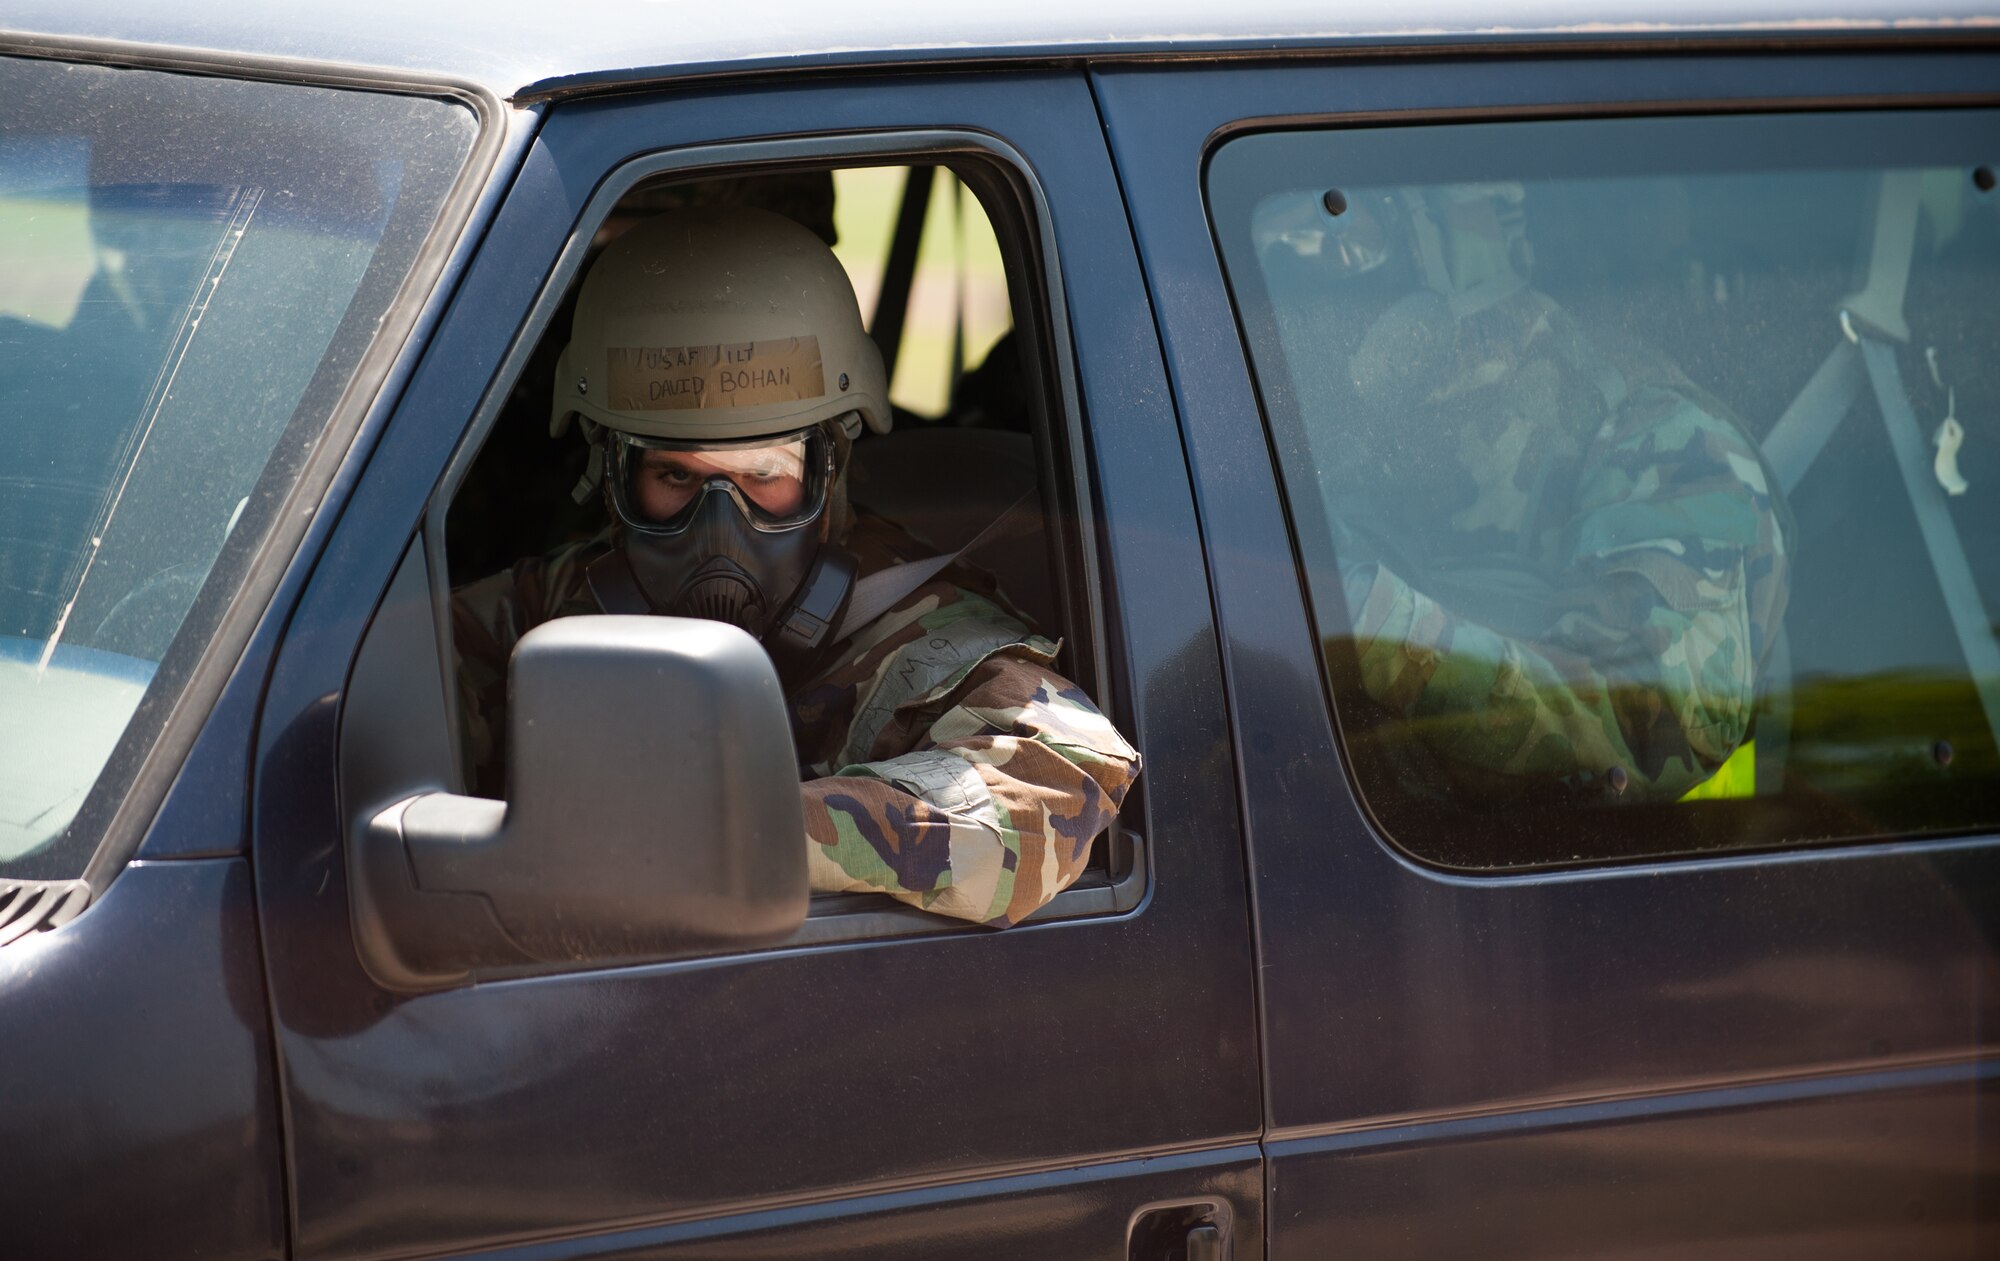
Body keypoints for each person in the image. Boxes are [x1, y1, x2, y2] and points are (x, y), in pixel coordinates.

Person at [452, 206, 1140, 926]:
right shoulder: (560, 602)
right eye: (674, 478)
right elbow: (378, 684)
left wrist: (726, 831)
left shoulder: (923, 633)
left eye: (765, 472)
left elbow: (1052, 786)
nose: (721, 524)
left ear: (831, 469)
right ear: (609, 476)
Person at [1258, 183, 1792, 803]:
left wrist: (1365, 623)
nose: (1304, 273)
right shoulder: (1357, 436)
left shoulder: (1670, 441)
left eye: (1340, 242)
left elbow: (1650, 726)